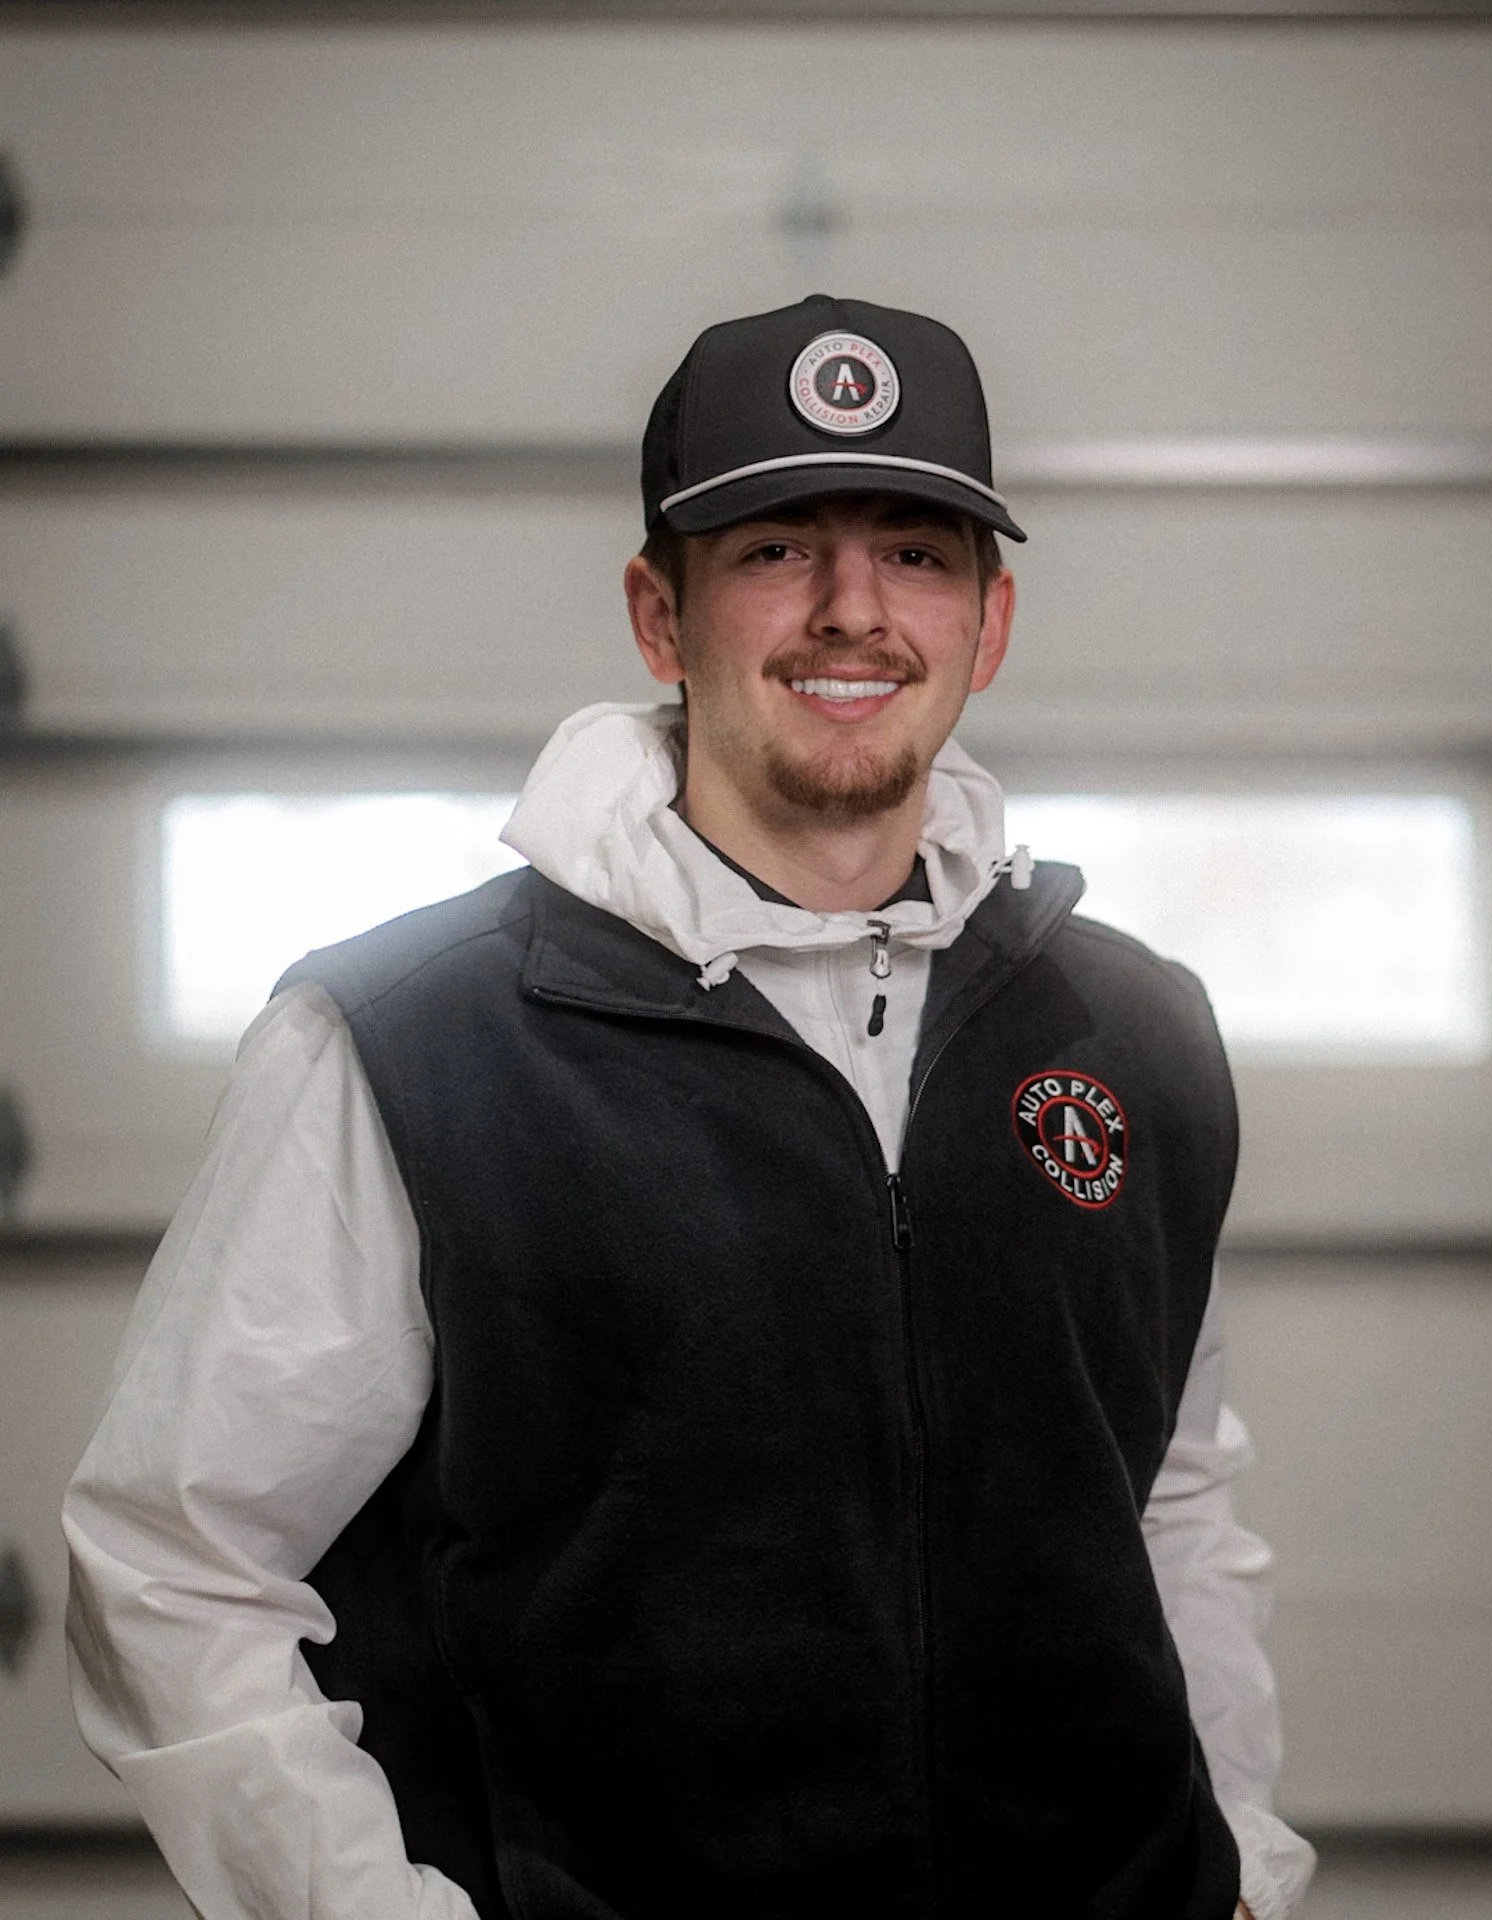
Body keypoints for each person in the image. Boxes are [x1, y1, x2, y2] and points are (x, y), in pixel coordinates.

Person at [65, 294, 1315, 1920]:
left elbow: (1162, 1498)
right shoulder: (407, 1044)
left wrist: (1245, 1869)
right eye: (779, 548)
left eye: (915, 553)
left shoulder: (1135, 1029)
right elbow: (173, 1564)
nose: (853, 611)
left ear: (988, 622)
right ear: (661, 615)